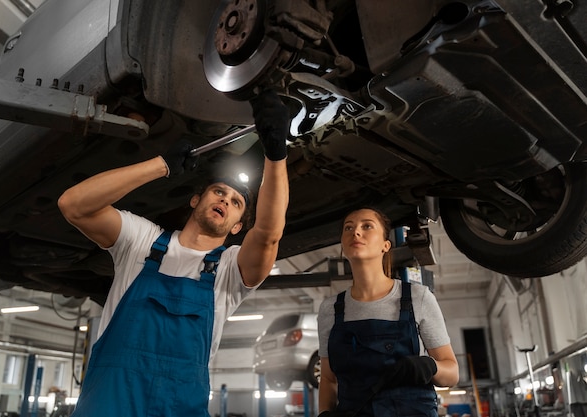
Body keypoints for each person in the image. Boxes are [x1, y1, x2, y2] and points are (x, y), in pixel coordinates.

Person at [57, 89, 290, 417]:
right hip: (110, 403)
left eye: (236, 202)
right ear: (195, 200)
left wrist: (275, 154)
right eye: (218, 192)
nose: (224, 200)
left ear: (238, 227)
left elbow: (268, 235)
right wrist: (160, 165)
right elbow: (73, 205)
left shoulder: (228, 270)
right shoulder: (141, 241)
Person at [317, 207, 459, 417]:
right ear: (342, 247)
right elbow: (329, 379)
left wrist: (430, 367)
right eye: (349, 227)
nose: (355, 232)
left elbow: (452, 375)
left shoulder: (417, 298)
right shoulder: (330, 309)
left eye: (367, 226)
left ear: (386, 245)